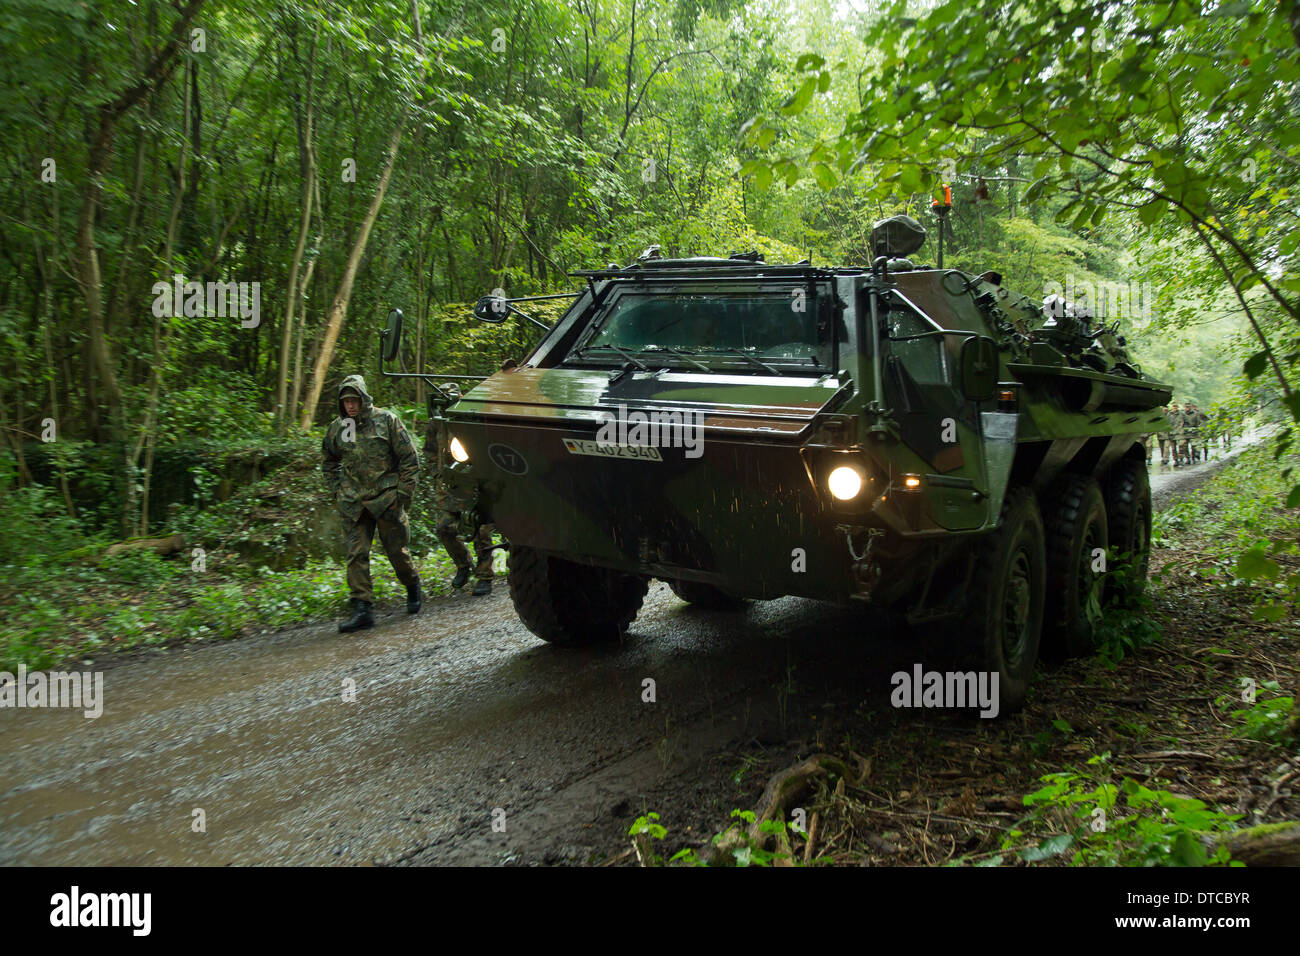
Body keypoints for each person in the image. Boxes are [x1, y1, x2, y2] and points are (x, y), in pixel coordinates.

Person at [322, 374, 421, 632]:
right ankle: (362, 608)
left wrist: (403, 494)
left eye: (355, 400)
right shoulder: (338, 428)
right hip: (353, 503)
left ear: (364, 398)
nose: (351, 406)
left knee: (397, 551)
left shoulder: (387, 420)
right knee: (356, 554)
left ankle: (412, 585)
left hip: (386, 499)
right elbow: (329, 461)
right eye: (346, 402)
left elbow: (409, 459)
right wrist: (337, 489)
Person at [424, 384, 496, 596]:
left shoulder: (473, 419)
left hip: (476, 488)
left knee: (481, 532)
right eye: (443, 397)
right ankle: (463, 566)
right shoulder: (435, 424)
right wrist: (438, 475)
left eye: (452, 396)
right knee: (444, 528)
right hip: (449, 489)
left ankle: (484, 576)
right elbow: (429, 453)